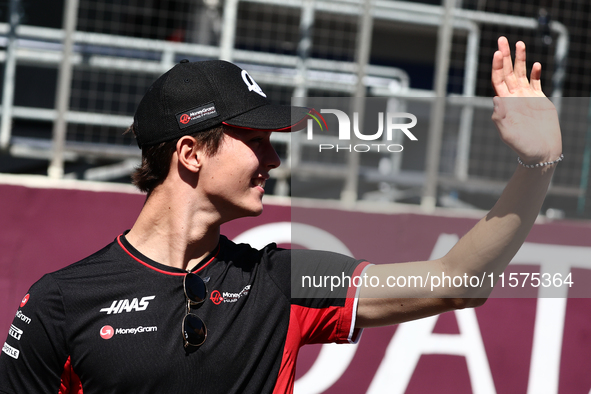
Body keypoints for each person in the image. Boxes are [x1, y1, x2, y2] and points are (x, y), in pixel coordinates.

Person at [0, 36, 562, 393]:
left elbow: (455, 282)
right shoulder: (60, 301)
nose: (274, 158)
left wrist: (536, 167)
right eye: (255, 140)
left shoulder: (281, 281)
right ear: (190, 153)